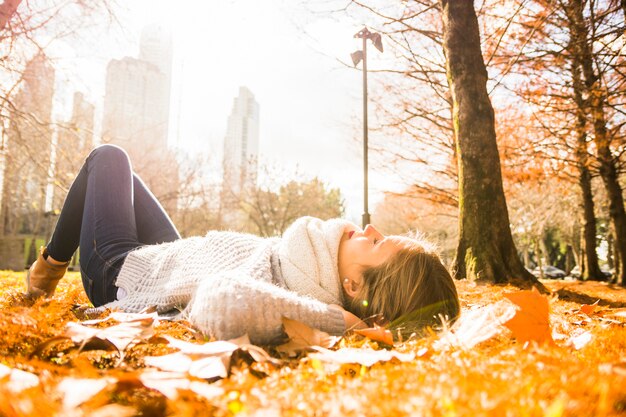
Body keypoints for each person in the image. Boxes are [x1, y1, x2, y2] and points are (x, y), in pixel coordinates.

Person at [26, 145, 459, 344]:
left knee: (109, 159)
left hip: (123, 276)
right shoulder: (304, 264)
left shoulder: (297, 303)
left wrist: (344, 323)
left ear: (353, 288)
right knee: (130, 182)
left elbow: (221, 299)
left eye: (378, 244)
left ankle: (47, 268)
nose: (369, 230)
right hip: (177, 260)